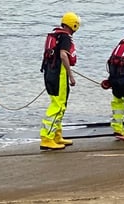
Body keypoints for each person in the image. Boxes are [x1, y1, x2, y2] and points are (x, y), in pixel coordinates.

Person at [39, 12, 81, 150]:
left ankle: (57, 135)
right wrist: (71, 76)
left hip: (49, 72)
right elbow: (63, 55)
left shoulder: (55, 34)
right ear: (74, 25)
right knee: (58, 106)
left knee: (59, 105)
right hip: (59, 74)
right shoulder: (65, 37)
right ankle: (47, 138)